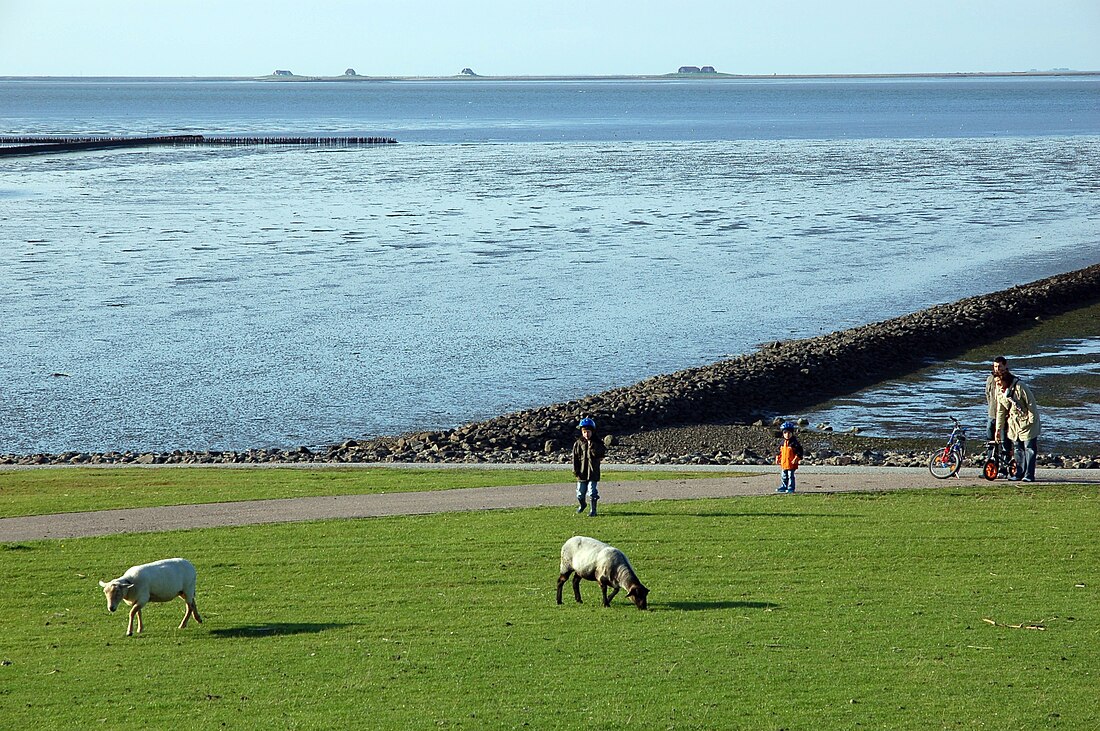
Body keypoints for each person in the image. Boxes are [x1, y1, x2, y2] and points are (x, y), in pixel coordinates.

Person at [995, 366, 1041, 482]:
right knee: (1017, 448)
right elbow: (1000, 410)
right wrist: (998, 429)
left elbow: (1031, 403)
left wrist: (1031, 420)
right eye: (997, 383)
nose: (998, 385)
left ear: (1005, 379)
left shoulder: (1020, 387)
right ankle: (1018, 473)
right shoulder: (999, 390)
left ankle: (1029, 475)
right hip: (1014, 423)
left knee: (1029, 448)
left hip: (1027, 422)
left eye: (999, 382)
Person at [572, 417, 606, 516]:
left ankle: (593, 510)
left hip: (593, 471)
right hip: (581, 472)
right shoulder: (578, 443)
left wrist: (592, 447)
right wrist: (575, 470)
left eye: (588, 432)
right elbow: (575, 458)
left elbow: (600, 454)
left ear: (593, 432)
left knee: (592, 491)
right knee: (580, 493)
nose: (586, 434)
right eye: (584, 432)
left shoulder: (598, 443)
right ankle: (582, 504)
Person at [985, 356, 1014, 464]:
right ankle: (991, 465)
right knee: (990, 441)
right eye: (995, 366)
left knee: (1005, 442)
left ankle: (1005, 467)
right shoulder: (990, 379)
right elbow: (988, 395)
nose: (997, 369)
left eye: (999, 366)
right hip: (992, 415)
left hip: (1005, 417)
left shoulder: (1010, 379)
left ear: (1005, 366)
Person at [775, 421, 804, 493]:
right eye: (785, 433)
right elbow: (779, 451)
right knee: (784, 476)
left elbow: (800, 452)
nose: (787, 435)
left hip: (791, 463)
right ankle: (784, 486)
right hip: (784, 463)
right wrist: (777, 458)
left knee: (790, 476)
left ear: (792, 433)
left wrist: (797, 458)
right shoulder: (782, 443)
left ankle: (791, 487)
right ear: (783, 434)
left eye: (789, 433)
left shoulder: (794, 443)